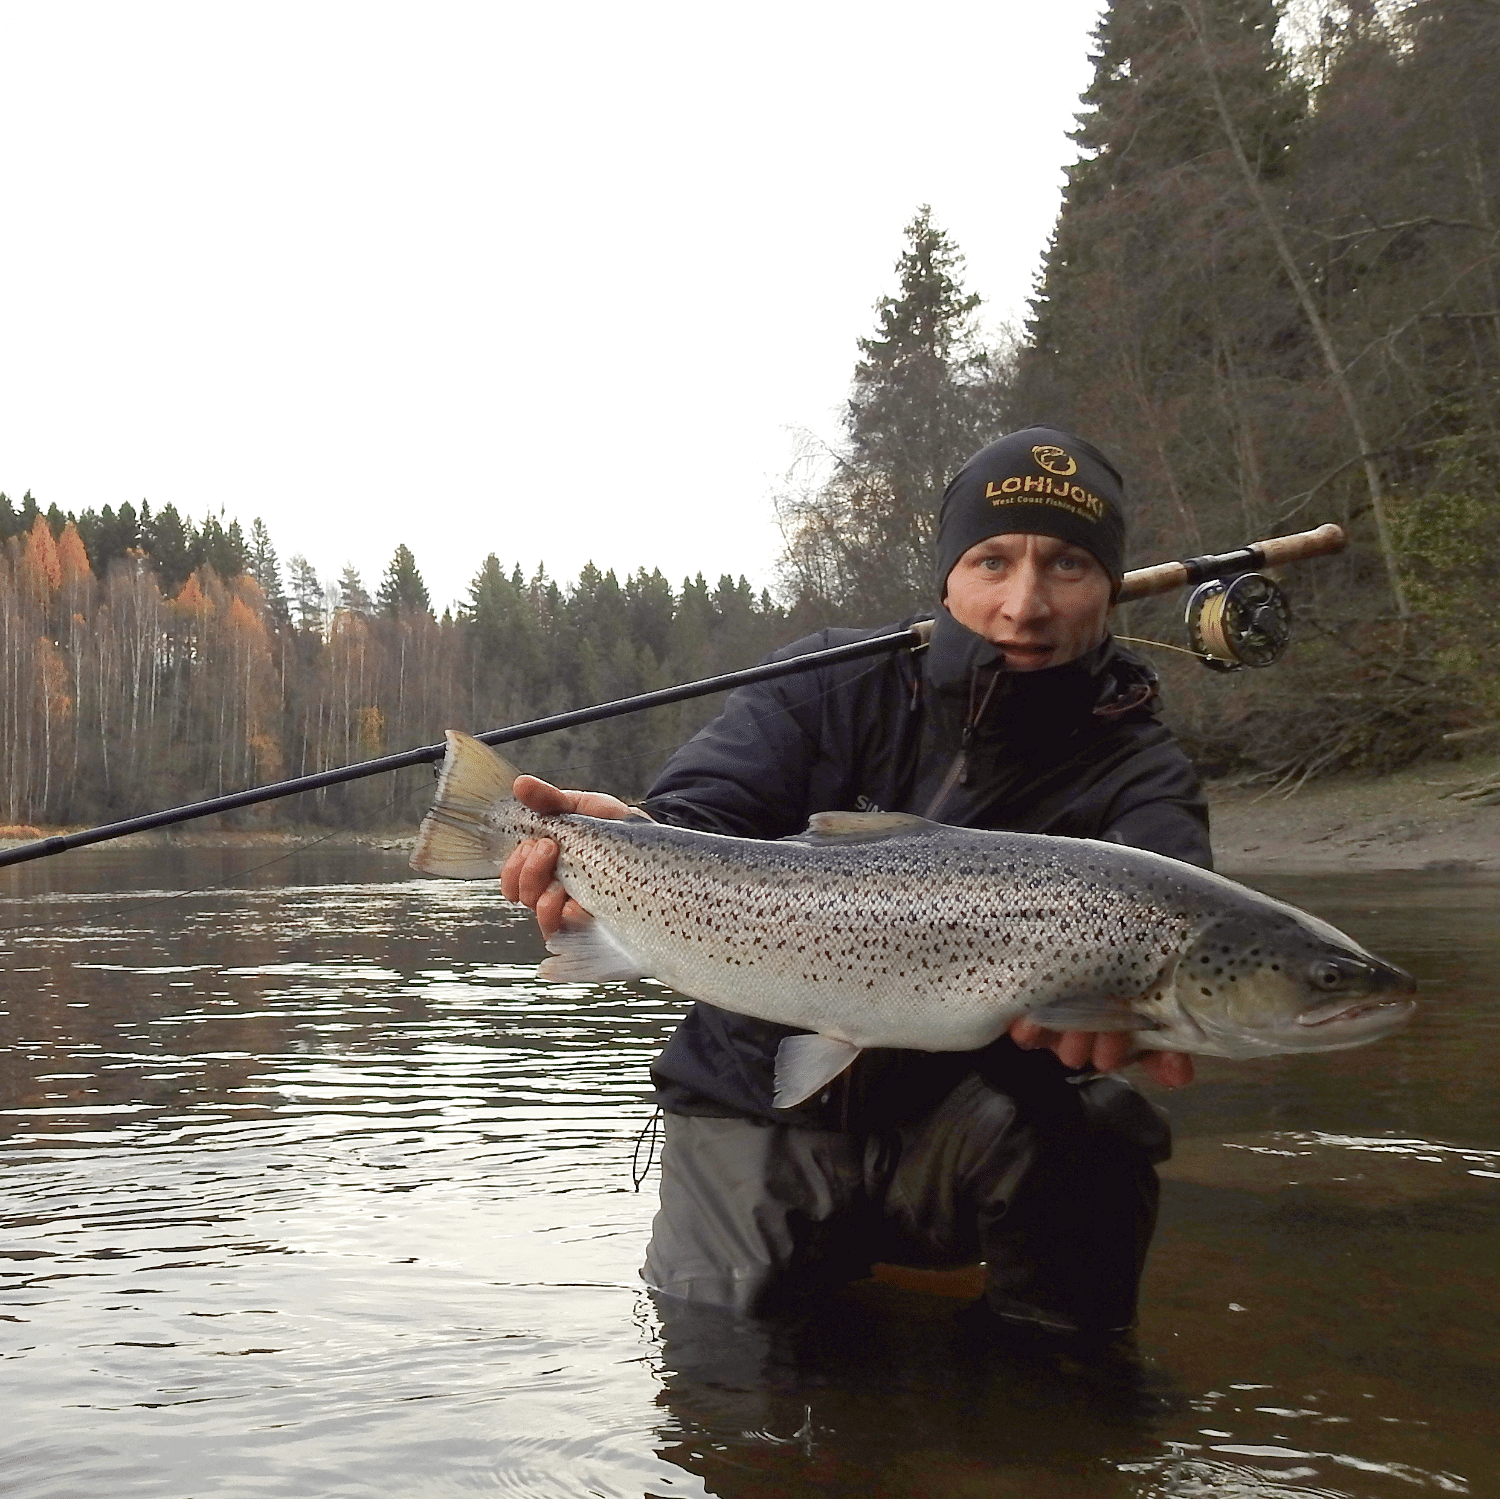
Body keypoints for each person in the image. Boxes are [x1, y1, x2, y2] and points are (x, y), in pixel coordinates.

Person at [502, 426, 1212, 1338]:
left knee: (1106, 1133)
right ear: (948, 577)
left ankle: (1055, 1410)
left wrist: (1115, 1023)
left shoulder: (1139, 768)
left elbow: (1180, 913)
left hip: (967, 1122)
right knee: (720, 1382)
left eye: (1068, 565)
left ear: (1109, 586)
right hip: (750, 1088)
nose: (1024, 604)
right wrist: (626, 842)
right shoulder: (832, 677)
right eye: (992, 560)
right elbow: (704, 815)